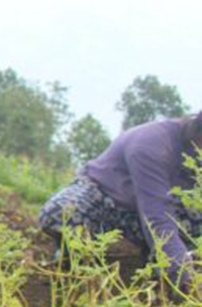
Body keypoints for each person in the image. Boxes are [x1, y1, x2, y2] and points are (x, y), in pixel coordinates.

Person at [39, 112, 202, 285]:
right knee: (61, 212)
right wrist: (184, 279)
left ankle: (160, 268)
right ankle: (74, 260)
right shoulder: (152, 142)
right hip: (103, 198)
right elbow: (157, 214)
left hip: (149, 214)